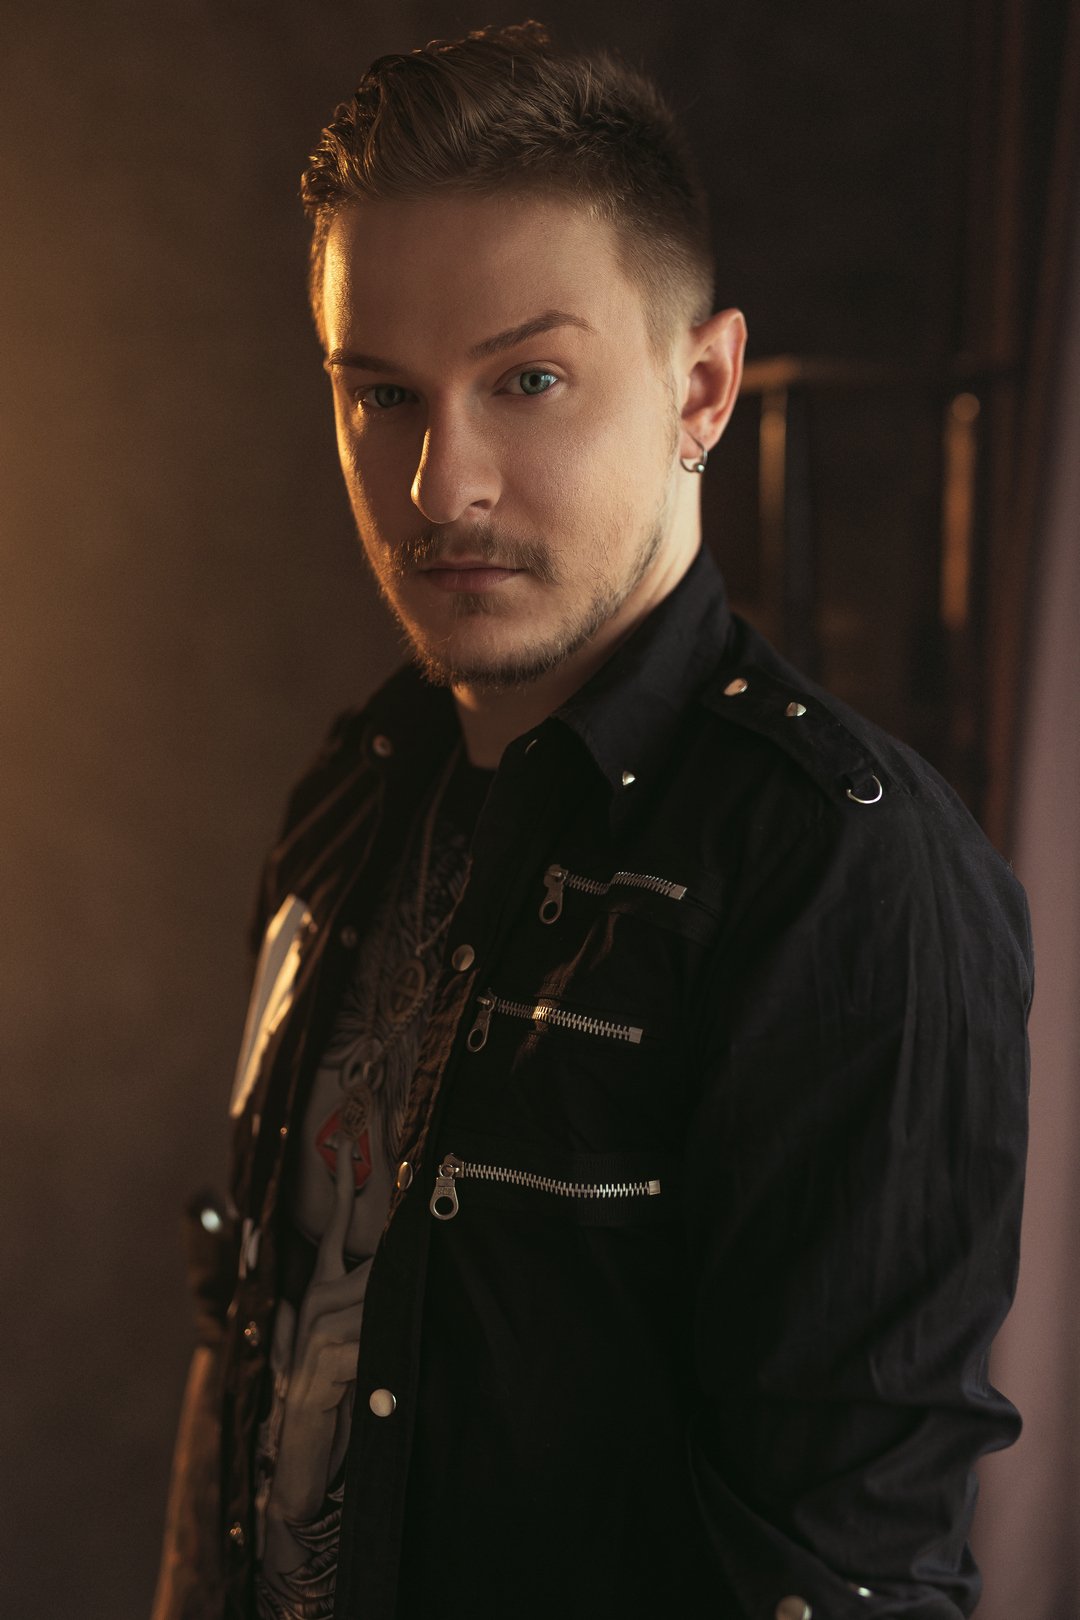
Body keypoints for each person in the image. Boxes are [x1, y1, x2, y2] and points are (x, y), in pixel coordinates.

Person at [152, 21, 1031, 1620]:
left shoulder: (847, 874)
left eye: (529, 381)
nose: (441, 487)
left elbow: (844, 1565)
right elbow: (252, 1325)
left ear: (703, 386)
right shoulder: (361, 782)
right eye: (383, 394)